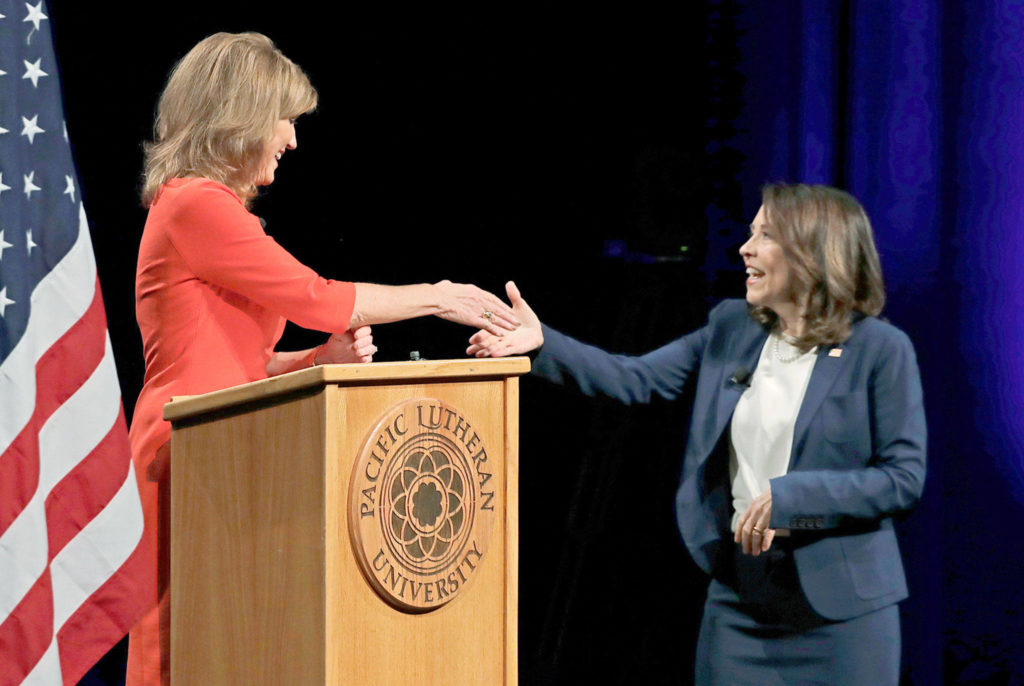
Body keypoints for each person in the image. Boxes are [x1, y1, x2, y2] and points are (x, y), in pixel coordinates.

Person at [127, 32, 519, 686]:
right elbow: (318, 296)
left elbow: (240, 363)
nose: (292, 139)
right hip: (185, 451)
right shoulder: (196, 205)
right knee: (178, 647)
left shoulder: (213, 211)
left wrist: (317, 359)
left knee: (227, 638)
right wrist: (436, 295)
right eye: (285, 120)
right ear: (242, 116)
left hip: (225, 446)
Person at [468, 183, 926, 685]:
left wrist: (790, 498)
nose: (744, 248)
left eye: (766, 235)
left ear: (813, 252)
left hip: (844, 619)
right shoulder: (731, 327)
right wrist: (540, 345)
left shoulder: (881, 349)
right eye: (750, 233)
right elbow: (633, 378)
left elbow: (901, 478)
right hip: (740, 606)